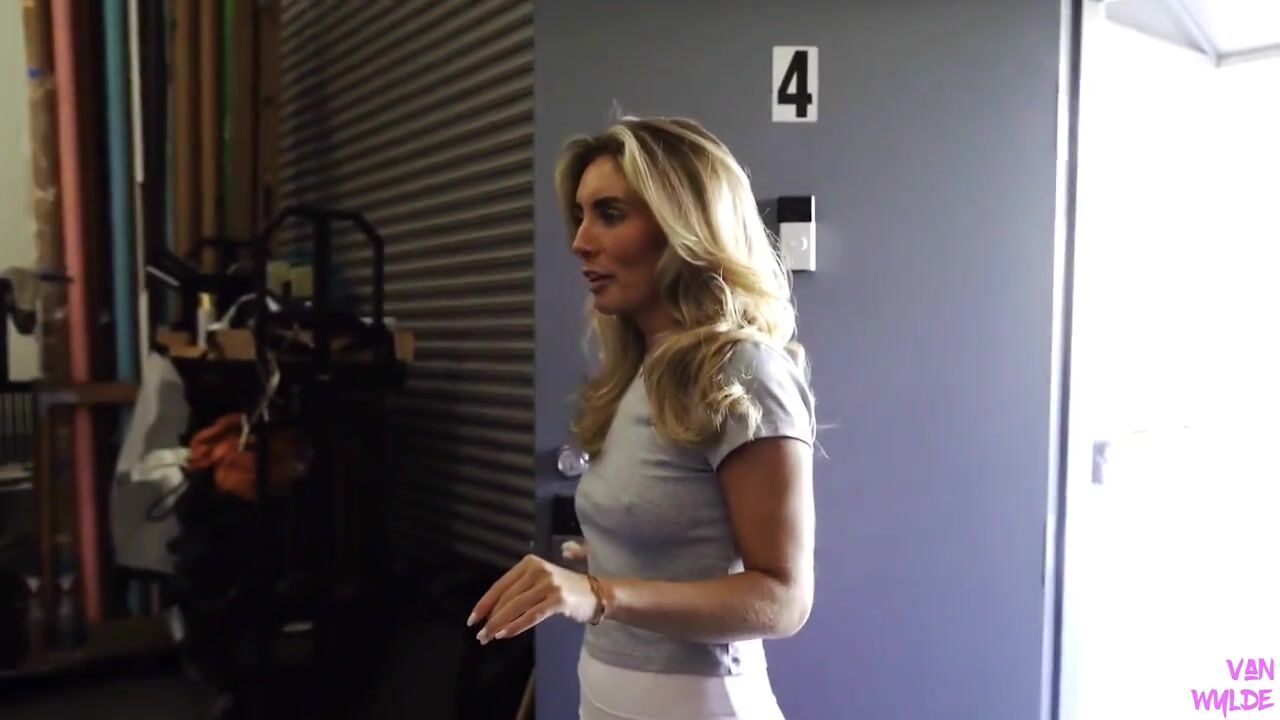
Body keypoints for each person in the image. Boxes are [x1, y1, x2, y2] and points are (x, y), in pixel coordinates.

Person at [468, 117, 817, 719]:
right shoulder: (641, 368)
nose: (580, 241)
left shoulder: (743, 368)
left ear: (685, 225)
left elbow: (783, 600)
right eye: (580, 215)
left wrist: (598, 593)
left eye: (610, 214)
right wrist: (611, 557)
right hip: (608, 693)